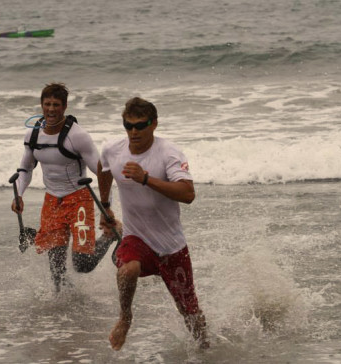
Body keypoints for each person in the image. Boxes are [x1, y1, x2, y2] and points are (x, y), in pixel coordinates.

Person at [97, 97, 209, 349]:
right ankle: (125, 317)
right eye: (128, 125)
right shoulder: (113, 149)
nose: (133, 132)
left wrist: (146, 179)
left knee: (190, 313)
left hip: (171, 246)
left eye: (140, 125)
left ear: (154, 124)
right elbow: (103, 168)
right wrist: (105, 205)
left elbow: (188, 194)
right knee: (127, 270)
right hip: (137, 237)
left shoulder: (169, 152)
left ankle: (205, 349)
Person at [12, 83, 119, 292]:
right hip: (52, 201)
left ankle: (109, 237)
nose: (51, 109)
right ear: (41, 105)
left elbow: (103, 173)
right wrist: (19, 194)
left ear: (65, 107)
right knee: (56, 269)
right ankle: (65, 312)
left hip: (78, 198)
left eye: (56, 105)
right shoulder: (32, 135)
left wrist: (106, 207)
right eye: (47, 104)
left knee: (82, 264)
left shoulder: (77, 136)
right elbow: (25, 169)